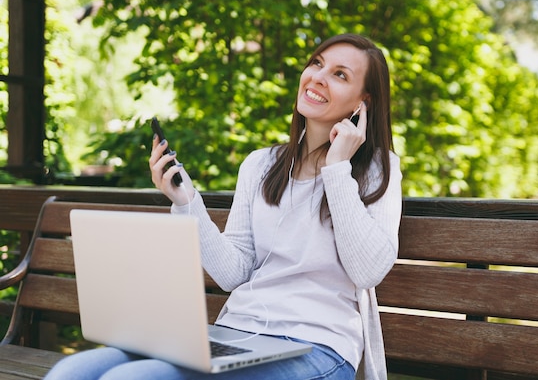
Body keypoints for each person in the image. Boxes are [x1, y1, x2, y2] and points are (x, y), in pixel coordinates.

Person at [44, 33, 402, 380]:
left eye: (340, 74)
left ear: (362, 103)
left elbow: (367, 271)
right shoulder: (261, 165)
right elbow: (234, 273)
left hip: (317, 347)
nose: (318, 78)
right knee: (72, 371)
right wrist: (186, 203)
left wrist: (337, 169)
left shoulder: (377, 170)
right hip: (238, 334)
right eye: (317, 64)